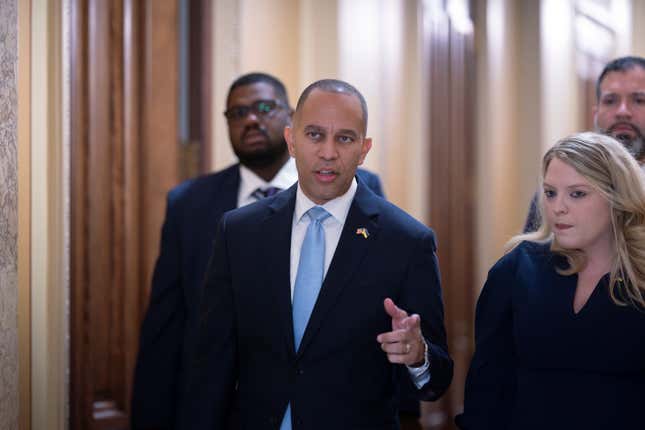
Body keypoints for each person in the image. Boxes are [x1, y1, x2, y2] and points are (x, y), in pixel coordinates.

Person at [182, 79, 453, 429]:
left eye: (344, 138)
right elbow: (211, 366)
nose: (328, 152)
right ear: (291, 140)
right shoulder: (239, 233)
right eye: (314, 135)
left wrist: (419, 356)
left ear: (364, 148)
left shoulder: (406, 241)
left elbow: (438, 378)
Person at [130, 73, 384, 429]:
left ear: (291, 123)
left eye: (264, 108)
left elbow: (382, 308)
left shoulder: (359, 187)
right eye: (237, 113)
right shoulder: (189, 204)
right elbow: (166, 327)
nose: (250, 119)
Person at [456, 132, 645, 429]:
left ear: (616, 197)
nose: (558, 208)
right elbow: (487, 389)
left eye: (577, 194)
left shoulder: (640, 278)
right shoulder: (517, 269)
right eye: (550, 192)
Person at [523, 55, 645, 232]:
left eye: (639, 100)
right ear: (596, 113)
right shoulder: (559, 188)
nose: (622, 111)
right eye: (610, 101)